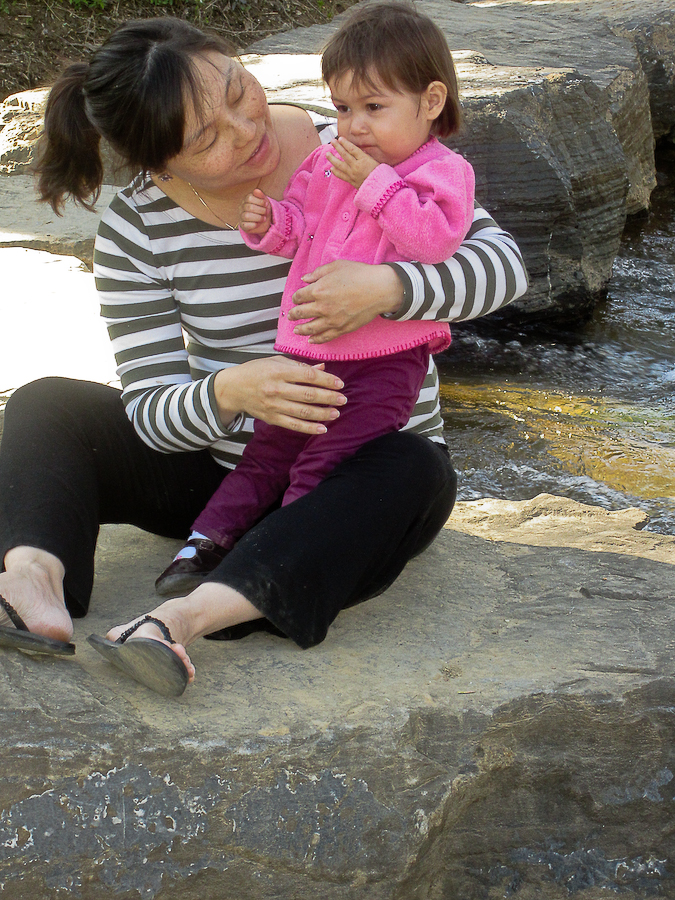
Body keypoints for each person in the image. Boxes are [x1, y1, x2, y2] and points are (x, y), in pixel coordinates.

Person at [0, 12, 528, 698]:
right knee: (46, 405)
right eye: (207, 138)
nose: (245, 130)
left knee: (416, 467)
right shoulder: (138, 226)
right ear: (161, 164)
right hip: (229, 473)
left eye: (236, 90)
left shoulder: (358, 143)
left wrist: (391, 288)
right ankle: (32, 581)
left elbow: (503, 268)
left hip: (356, 473)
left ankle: (183, 618)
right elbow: (151, 412)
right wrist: (231, 392)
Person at [156, 2, 475, 597]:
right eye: (343, 108)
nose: (354, 126)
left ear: (431, 101)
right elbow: (307, 231)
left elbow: (435, 240)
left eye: (374, 108)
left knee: (329, 457)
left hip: (387, 359)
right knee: (267, 451)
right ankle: (202, 546)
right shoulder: (329, 163)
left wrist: (375, 185)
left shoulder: (441, 171)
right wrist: (271, 224)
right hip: (309, 347)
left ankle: (275, 561)